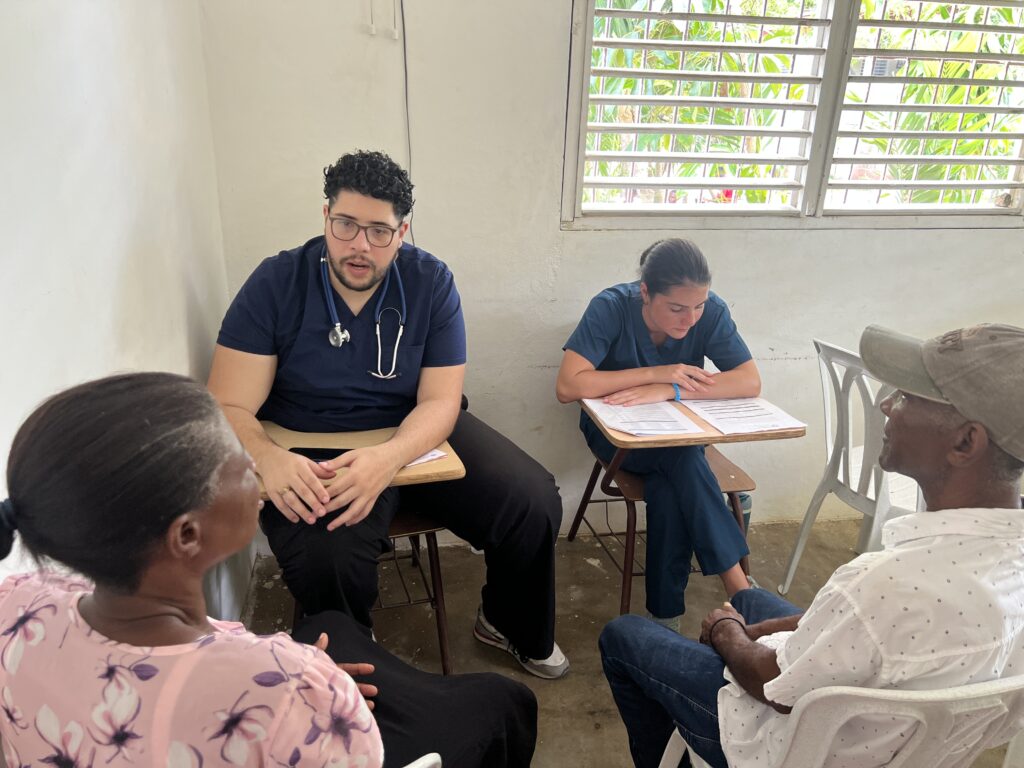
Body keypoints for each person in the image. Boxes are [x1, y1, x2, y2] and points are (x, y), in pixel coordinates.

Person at [0, 373, 537, 768]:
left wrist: (292, 675)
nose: (258, 465)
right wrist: (301, 689)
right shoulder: (282, 686)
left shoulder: (16, 602)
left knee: (337, 626)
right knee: (502, 701)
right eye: (237, 460)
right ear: (187, 535)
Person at [207, 149, 567, 679]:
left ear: (402, 233)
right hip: (305, 441)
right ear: (325, 217)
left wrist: (388, 459)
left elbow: (441, 402)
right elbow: (228, 402)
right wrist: (266, 457)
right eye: (346, 224)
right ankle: (351, 660)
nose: (360, 245)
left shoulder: (430, 282)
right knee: (326, 558)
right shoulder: (275, 283)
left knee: (531, 501)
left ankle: (507, 621)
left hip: (411, 434)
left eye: (379, 231)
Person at [599, 323, 1024, 768]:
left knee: (623, 636)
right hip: (900, 741)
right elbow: (862, 625)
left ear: (965, 441)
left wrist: (727, 633)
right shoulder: (983, 568)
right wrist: (751, 627)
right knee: (746, 598)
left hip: (790, 746)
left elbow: (774, 686)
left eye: (907, 398)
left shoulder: (884, 580)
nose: (886, 405)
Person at [556, 238, 761, 629]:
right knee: (682, 462)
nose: (690, 319)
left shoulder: (711, 312)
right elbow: (568, 386)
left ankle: (666, 618)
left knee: (673, 481)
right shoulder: (611, 307)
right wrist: (657, 372)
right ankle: (740, 589)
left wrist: (673, 389)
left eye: (698, 306)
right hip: (619, 435)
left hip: (679, 432)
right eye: (677, 308)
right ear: (645, 292)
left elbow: (749, 381)